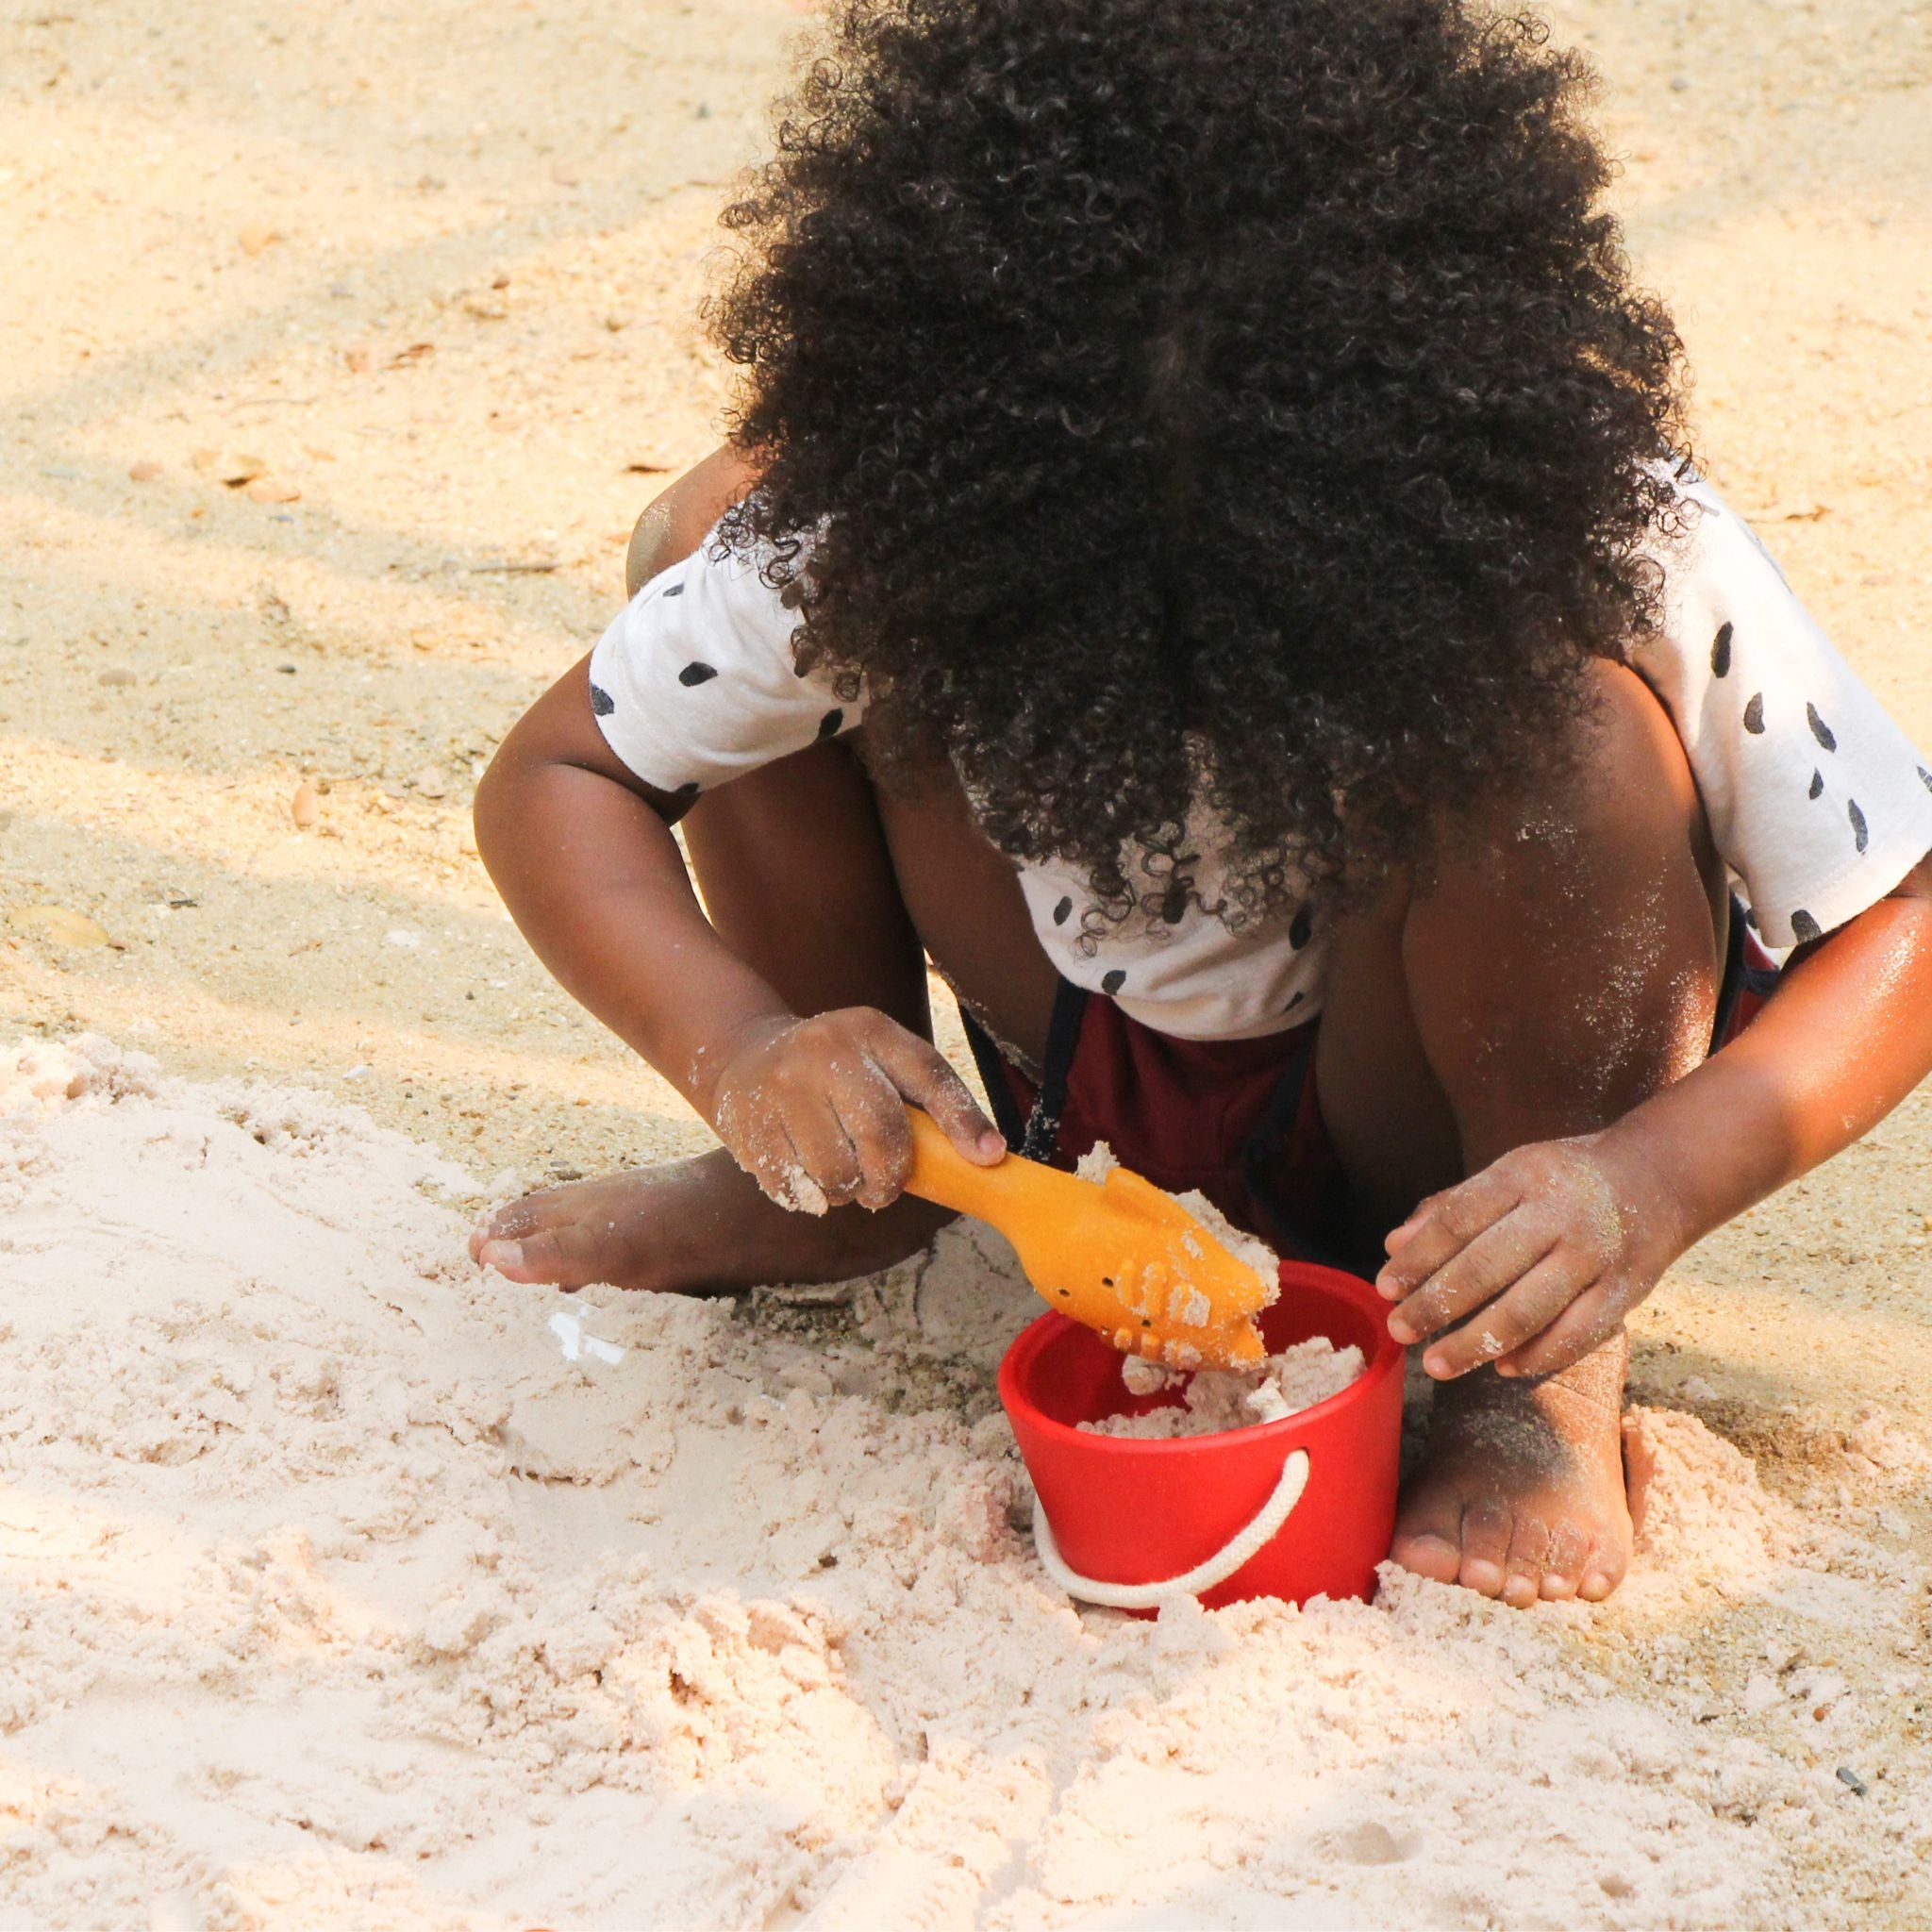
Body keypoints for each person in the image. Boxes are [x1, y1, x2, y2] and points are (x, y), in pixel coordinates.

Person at [468, 0, 1932, 1608]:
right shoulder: (880, 519)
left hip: (1429, 1123)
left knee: (1570, 740)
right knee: (705, 547)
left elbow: (1903, 917)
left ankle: (1532, 1382)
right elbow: (563, 777)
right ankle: (832, 1183)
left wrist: (1651, 1179)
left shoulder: (1589, 519)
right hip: (1054, 1064)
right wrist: (742, 1049)